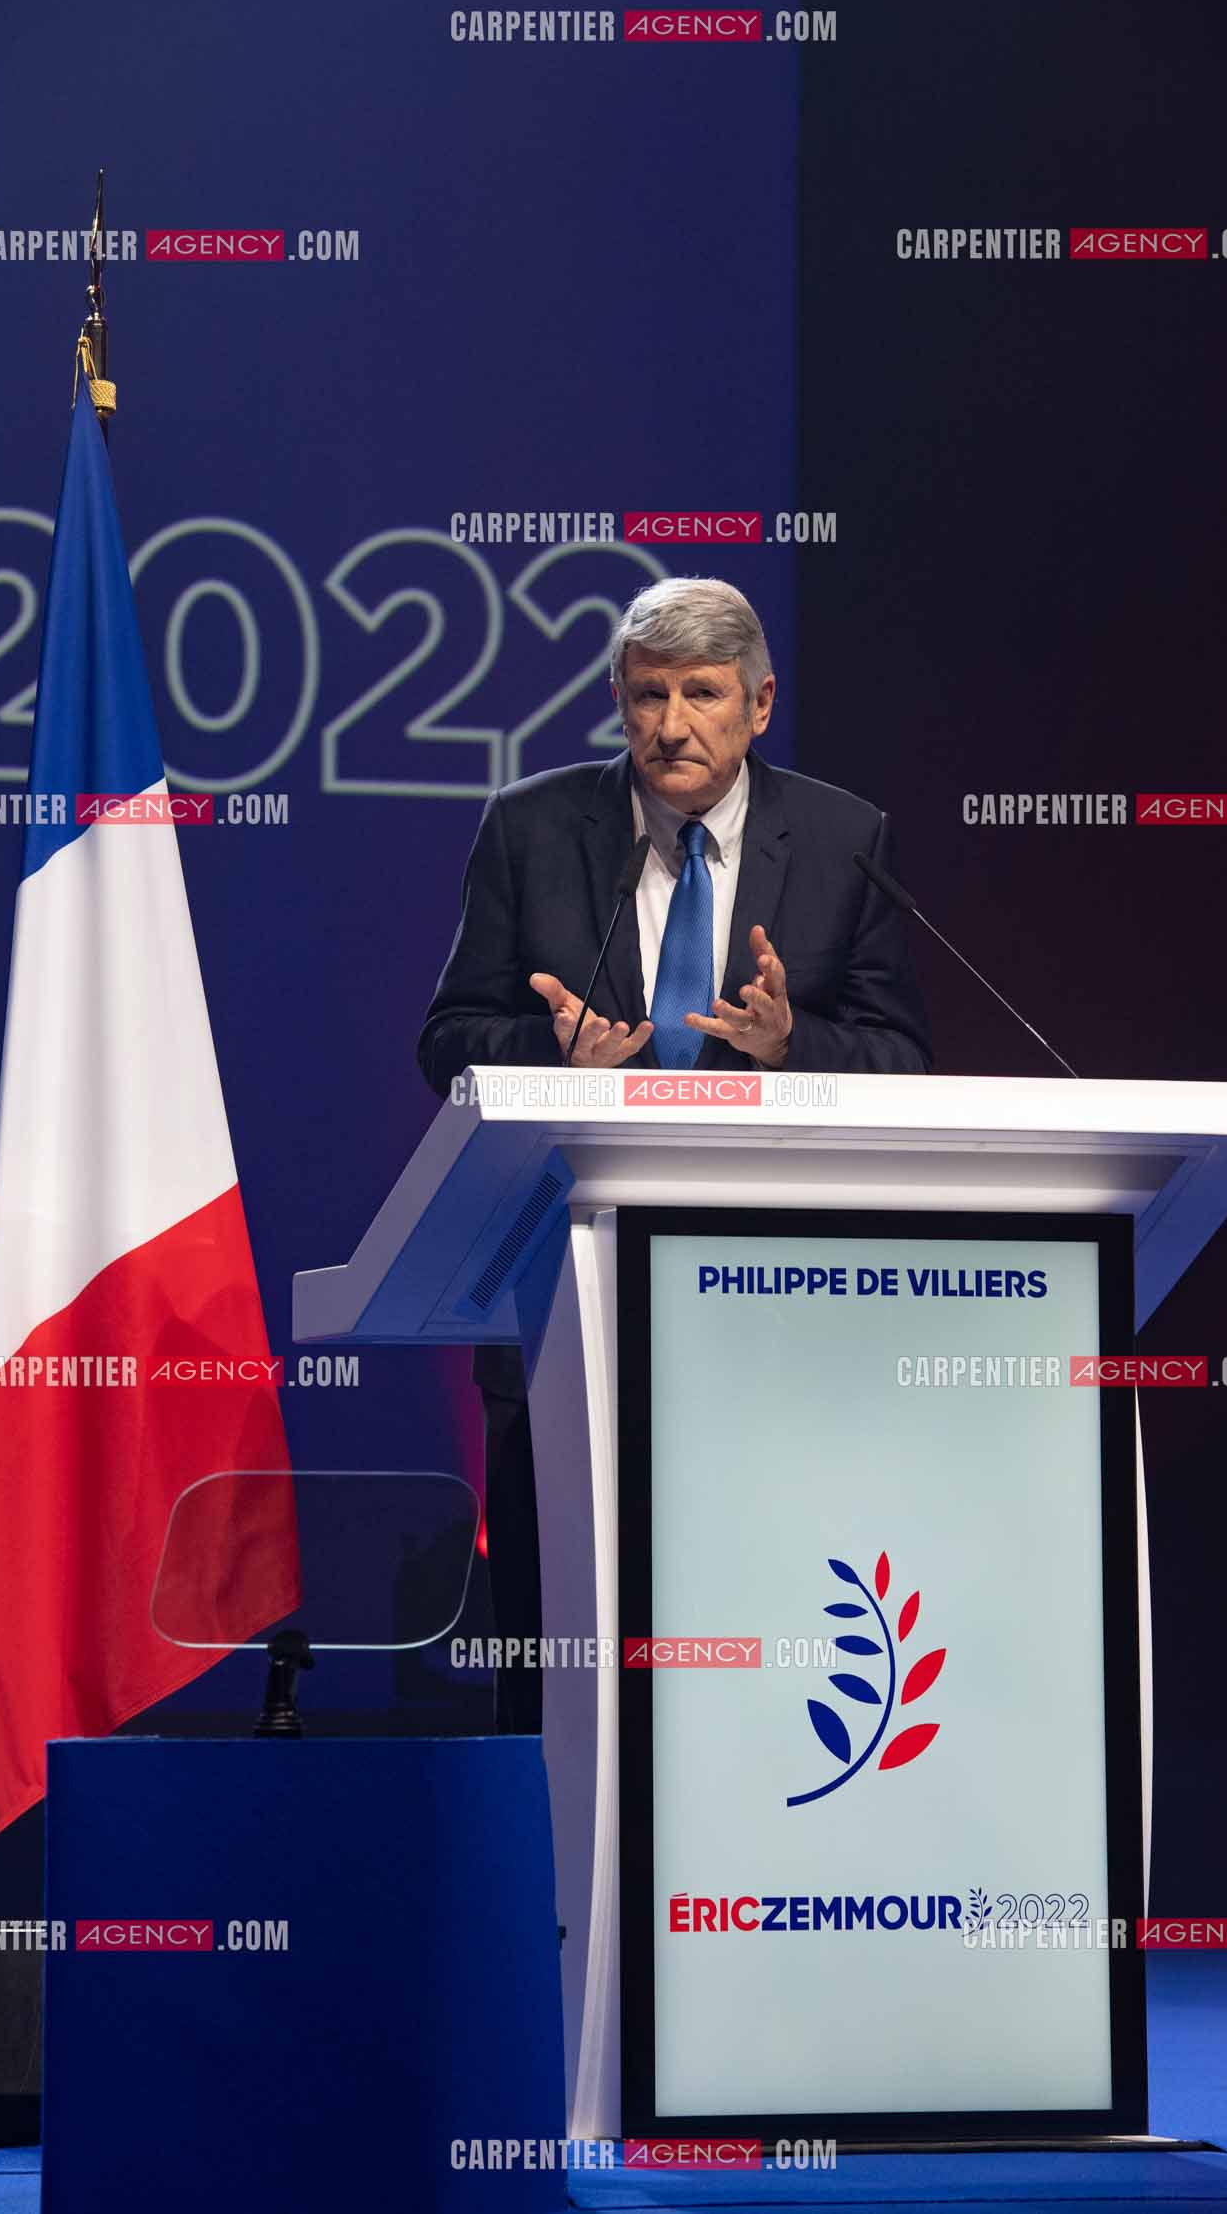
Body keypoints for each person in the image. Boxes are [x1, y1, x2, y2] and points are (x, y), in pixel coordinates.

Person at [417, 576, 931, 1729]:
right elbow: (446, 1041)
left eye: (703, 694)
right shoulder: (533, 827)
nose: (671, 724)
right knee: (554, 1667)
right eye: (648, 695)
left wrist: (792, 1048)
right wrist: (557, 1056)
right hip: (569, 1309)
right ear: (616, 700)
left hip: (779, 1319)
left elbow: (904, 1057)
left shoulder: (847, 839)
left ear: (760, 706)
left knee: (760, 1654)